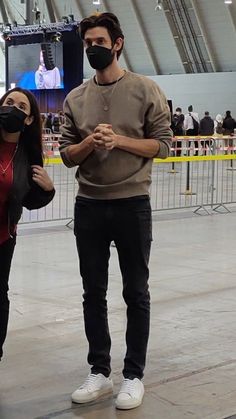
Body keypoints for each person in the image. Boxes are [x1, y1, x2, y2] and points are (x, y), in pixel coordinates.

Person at [59, 12, 172, 410]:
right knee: (93, 293)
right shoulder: (75, 97)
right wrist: (91, 143)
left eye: (100, 42)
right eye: (88, 42)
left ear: (118, 43)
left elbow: (162, 145)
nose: (93, 48)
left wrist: (120, 141)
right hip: (89, 206)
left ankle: (134, 375)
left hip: (132, 204)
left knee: (135, 292)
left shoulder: (146, 89)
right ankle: (99, 372)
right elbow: (67, 154)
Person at [0, 87, 55, 361]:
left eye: (21, 107)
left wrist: (48, 190)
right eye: (9, 102)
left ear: (30, 119)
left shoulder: (28, 155)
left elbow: (29, 200)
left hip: (3, 237)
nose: (13, 108)